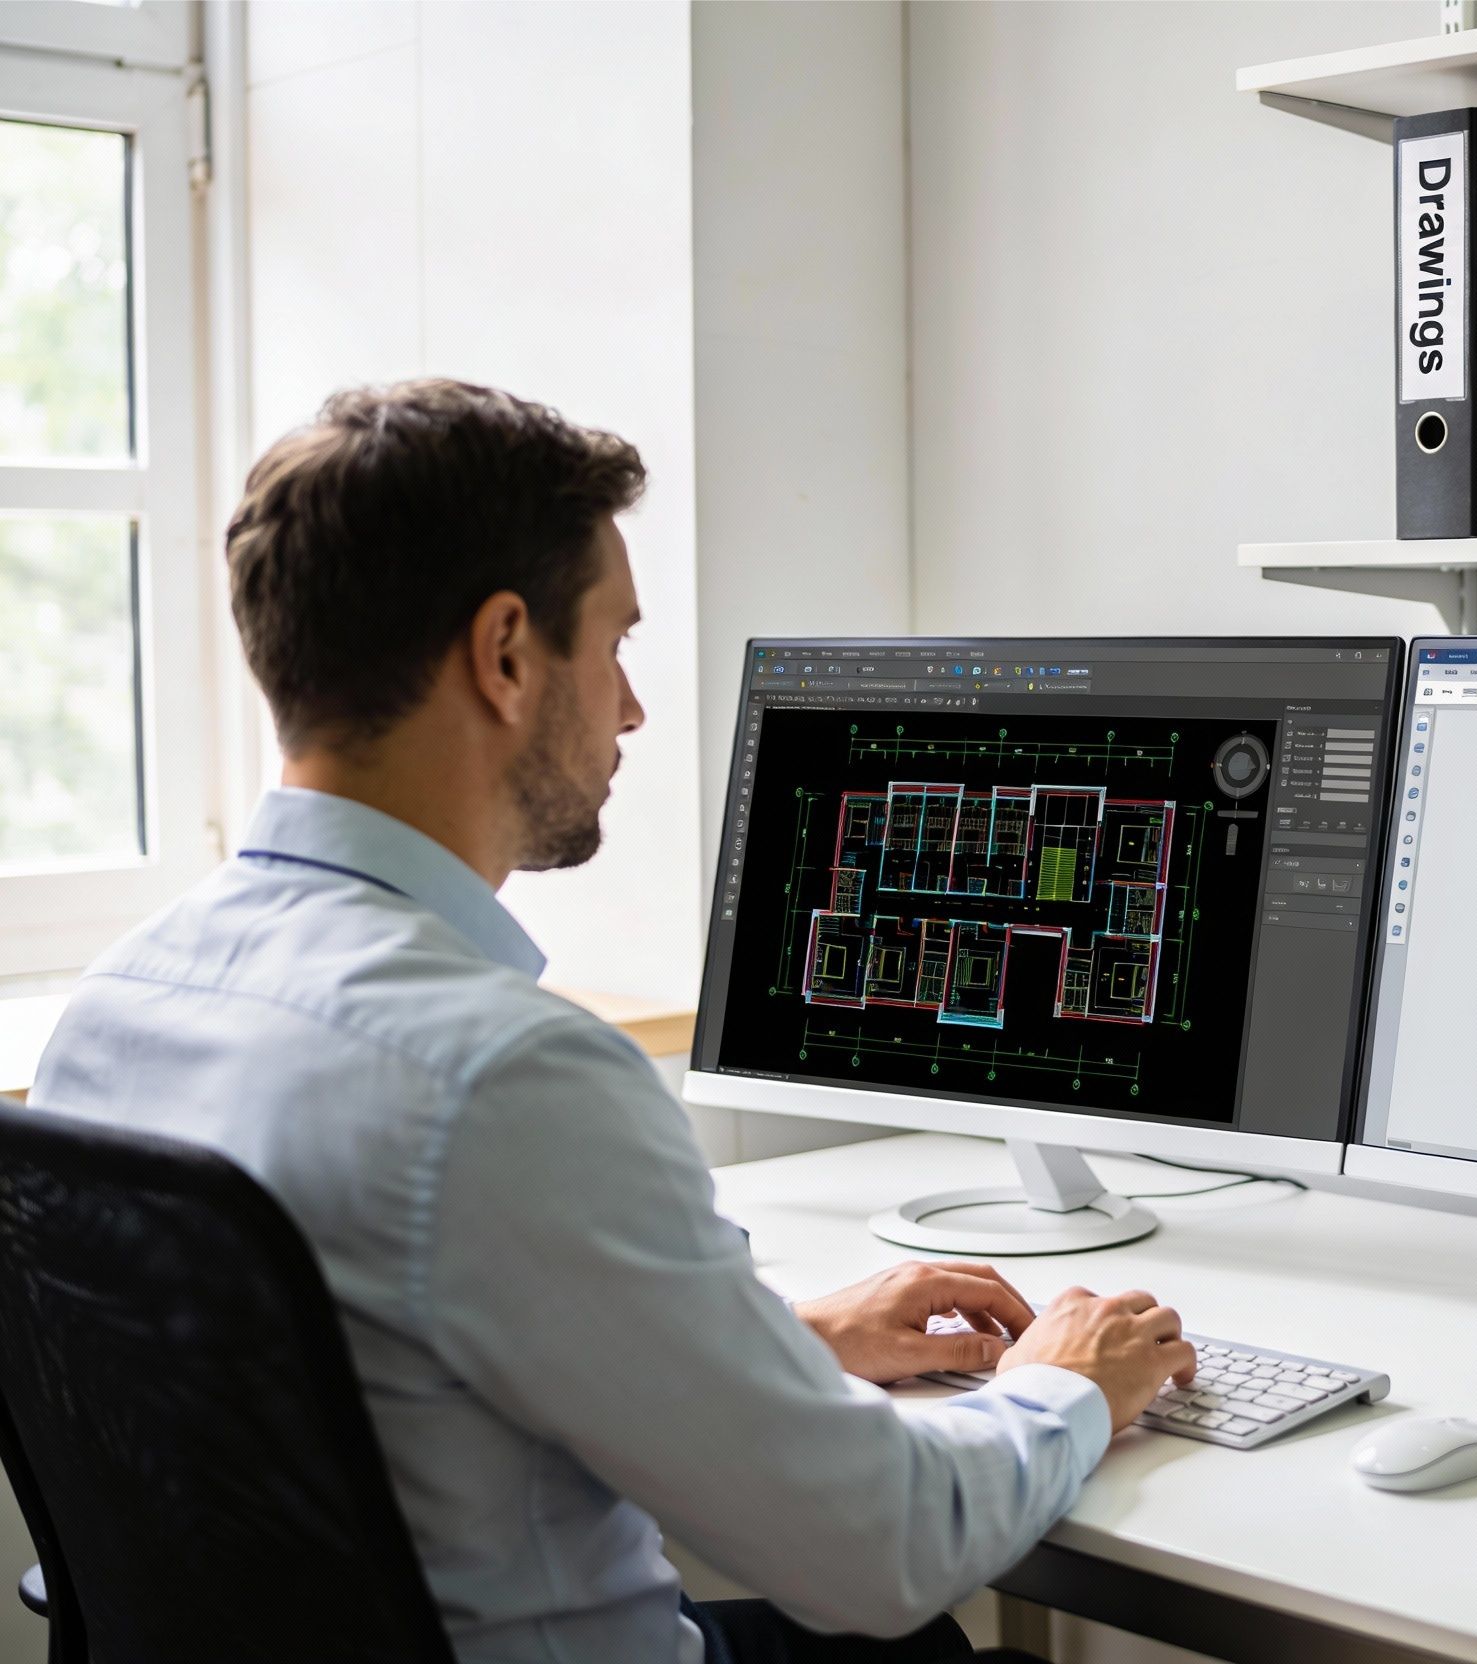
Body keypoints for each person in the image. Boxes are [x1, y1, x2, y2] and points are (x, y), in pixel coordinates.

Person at [30, 380, 1196, 1664]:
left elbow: (357, 1388)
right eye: (616, 644)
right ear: (509, 653)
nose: (632, 708)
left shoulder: (120, 1005)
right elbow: (885, 1550)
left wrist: (777, 1350)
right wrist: (1068, 1378)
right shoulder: (503, 1078)